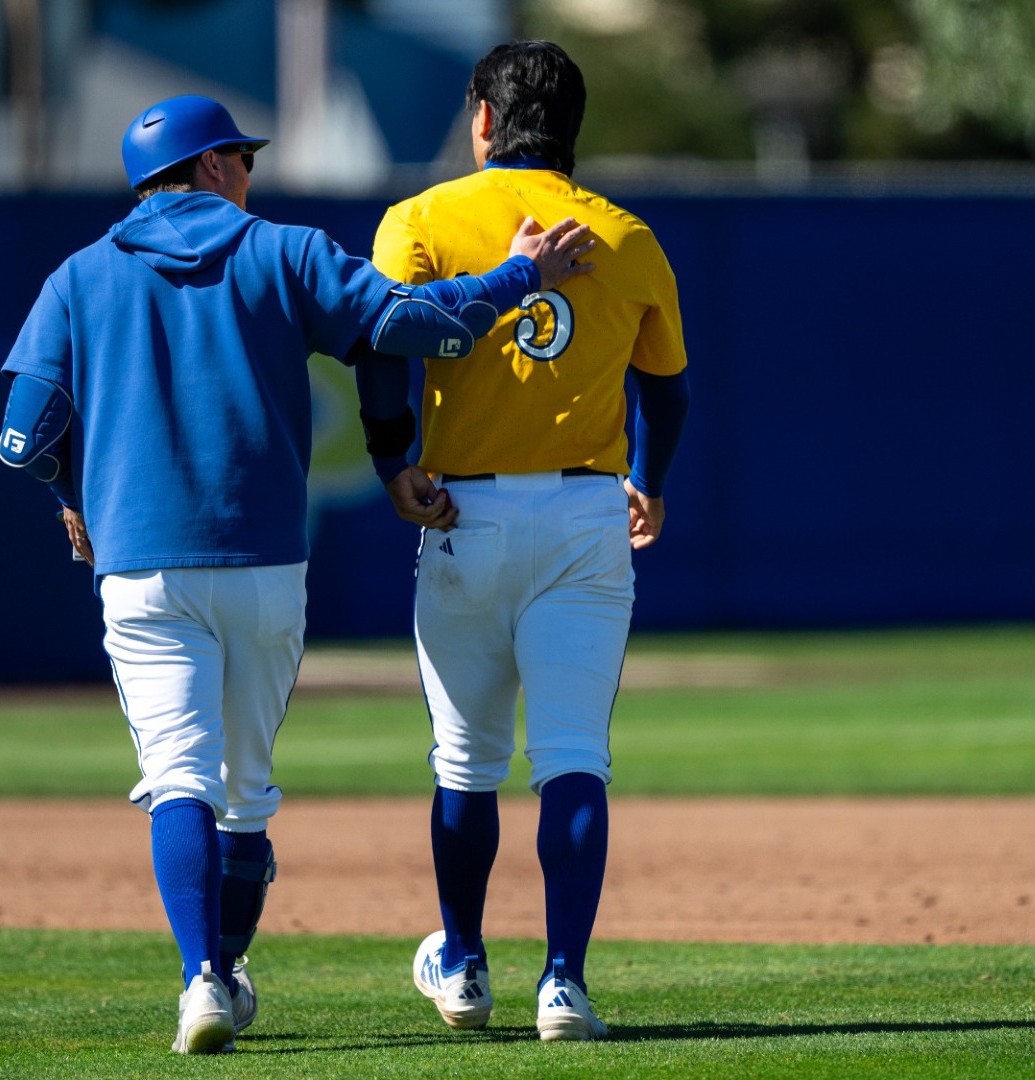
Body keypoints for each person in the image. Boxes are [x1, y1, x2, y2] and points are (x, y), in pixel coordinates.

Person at [0, 94, 593, 1055]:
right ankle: (223, 971)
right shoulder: (285, 251)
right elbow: (419, 331)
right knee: (245, 795)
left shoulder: (77, 278)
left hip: (140, 569)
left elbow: (22, 442)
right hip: (262, 559)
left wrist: (76, 496)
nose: (250, 175)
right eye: (245, 158)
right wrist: (523, 273)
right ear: (216, 165)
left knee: (176, 775)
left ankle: (202, 980)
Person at [369, 41, 692, 1042]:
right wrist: (650, 479)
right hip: (586, 518)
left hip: (463, 512)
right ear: (573, 129)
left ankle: (463, 965)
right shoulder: (626, 236)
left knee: (466, 762)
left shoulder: (419, 221)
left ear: (481, 121)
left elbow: (382, 352)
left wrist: (394, 463)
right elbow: (668, 390)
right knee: (572, 759)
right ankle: (564, 984)